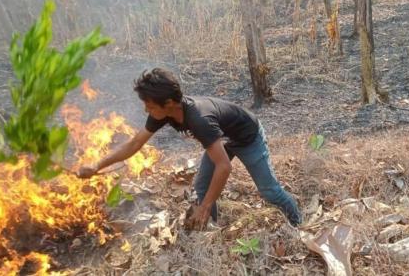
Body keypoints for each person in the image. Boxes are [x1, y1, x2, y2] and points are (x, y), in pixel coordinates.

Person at [77, 68, 302, 229]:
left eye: (149, 105)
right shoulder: (163, 112)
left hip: (248, 137)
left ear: (169, 104)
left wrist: (205, 206)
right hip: (222, 139)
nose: (146, 110)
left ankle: (298, 224)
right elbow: (135, 144)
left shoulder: (199, 119)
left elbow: (224, 167)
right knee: (202, 189)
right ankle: (211, 233)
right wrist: (97, 165)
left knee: (269, 191)